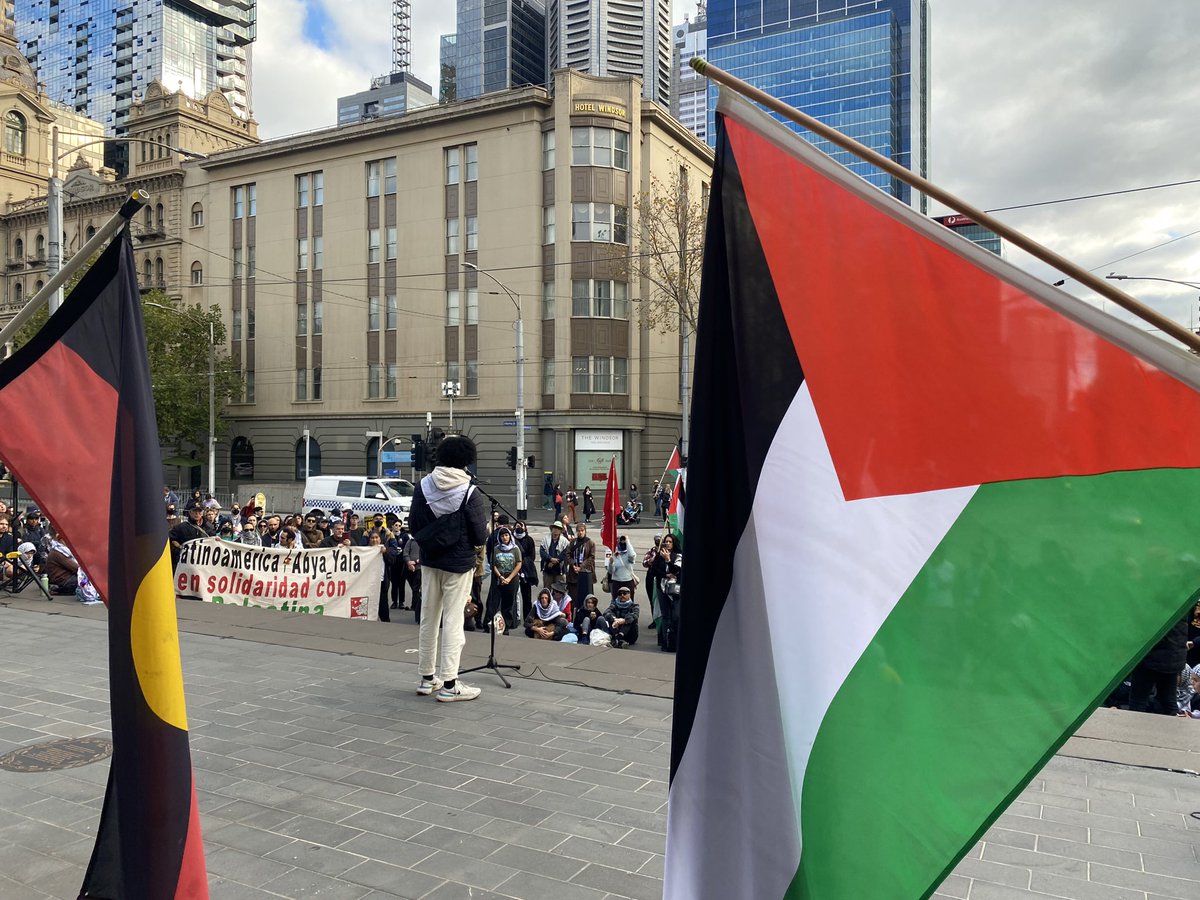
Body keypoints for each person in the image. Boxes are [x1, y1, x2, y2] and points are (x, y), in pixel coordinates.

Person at [408, 434, 489, 702]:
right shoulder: (470, 492)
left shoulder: (423, 486)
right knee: (453, 622)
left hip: (430, 560)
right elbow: (480, 536)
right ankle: (450, 685)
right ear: (467, 459)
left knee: (428, 619)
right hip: (458, 565)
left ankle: (427, 678)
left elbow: (414, 525)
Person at [1129, 612, 1190, 715]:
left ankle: (1133, 728)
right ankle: (1172, 727)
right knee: (1168, 699)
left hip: (1150, 655)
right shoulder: (1181, 600)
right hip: (1174, 656)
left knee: (1138, 701)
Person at [649, 532, 682, 652]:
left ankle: (675, 642)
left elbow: (677, 570)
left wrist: (668, 560)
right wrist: (665, 574)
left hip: (674, 590)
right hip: (661, 588)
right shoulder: (659, 555)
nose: (667, 544)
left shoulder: (678, 556)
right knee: (665, 616)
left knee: (676, 616)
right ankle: (665, 642)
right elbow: (654, 571)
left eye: (670, 542)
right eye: (666, 542)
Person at [487, 525, 522, 633]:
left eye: (506, 535)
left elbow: (519, 563)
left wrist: (509, 578)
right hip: (498, 578)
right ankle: (490, 624)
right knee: (494, 602)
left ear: (510, 536)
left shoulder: (515, 549)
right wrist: (500, 577)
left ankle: (506, 626)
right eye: (502, 536)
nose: (504, 537)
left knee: (508, 604)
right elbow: (493, 564)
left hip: (512, 578)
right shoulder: (496, 549)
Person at [169, 500, 208, 569]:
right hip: (186, 565)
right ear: (190, 512)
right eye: (194, 511)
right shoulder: (181, 527)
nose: (197, 513)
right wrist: (179, 547)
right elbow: (171, 539)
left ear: (202, 513)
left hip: (203, 565)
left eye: (199, 511)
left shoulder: (209, 528)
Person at [513, 520, 537, 623]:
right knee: (514, 596)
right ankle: (515, 617)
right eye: (517, 525)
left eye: (521, 525)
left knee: (527, 597)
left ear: (525, 528)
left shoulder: (529, 540)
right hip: (514, 571)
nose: (519, 527)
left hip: (526, 572)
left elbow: (532, 556)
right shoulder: (512, 539)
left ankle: (527, 618)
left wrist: (523, 562)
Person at [566, 523, 596, 606]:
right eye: (578, 531)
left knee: (586, 596)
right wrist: (573, 565)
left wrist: (581, 567)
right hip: (573, 572)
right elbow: (568, 554)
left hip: (585, 572)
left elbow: (591, 557)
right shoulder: (572, 542)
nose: (580, 532)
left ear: (585, 531)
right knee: (573, 597)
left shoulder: (590, 543)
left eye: (582, 531)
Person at [366, 529, 390, 622]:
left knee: (383, 608)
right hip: (368, 584)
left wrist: (385, 553)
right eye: (372, 538)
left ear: (380, 539)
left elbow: (392, 561)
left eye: (376, 537)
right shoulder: (365, 550)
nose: (374, 540)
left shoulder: (385, 549)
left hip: (381, 583)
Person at [606, 533, 637, 600]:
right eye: (621, 541)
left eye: (624, 542)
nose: (622, 543)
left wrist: (627, 541)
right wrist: (611, 563)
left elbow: (632, 555)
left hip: (628, 582)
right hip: (617, 583)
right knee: (616, 603)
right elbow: (611, 571)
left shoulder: (629, 554)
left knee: (629, 603)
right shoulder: (614, 553)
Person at [540, 521, 569, 588]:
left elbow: (565, 553)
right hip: (548, 569)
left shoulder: (564, 541)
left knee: (560, 591)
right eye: (555, 528)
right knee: (547, 590)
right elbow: (542, 552)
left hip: (560, 571)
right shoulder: (545, 539)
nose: (556, 530)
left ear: (561, 531)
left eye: (558, 528)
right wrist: (550, 559)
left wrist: (554, 562)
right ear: (552, 529)